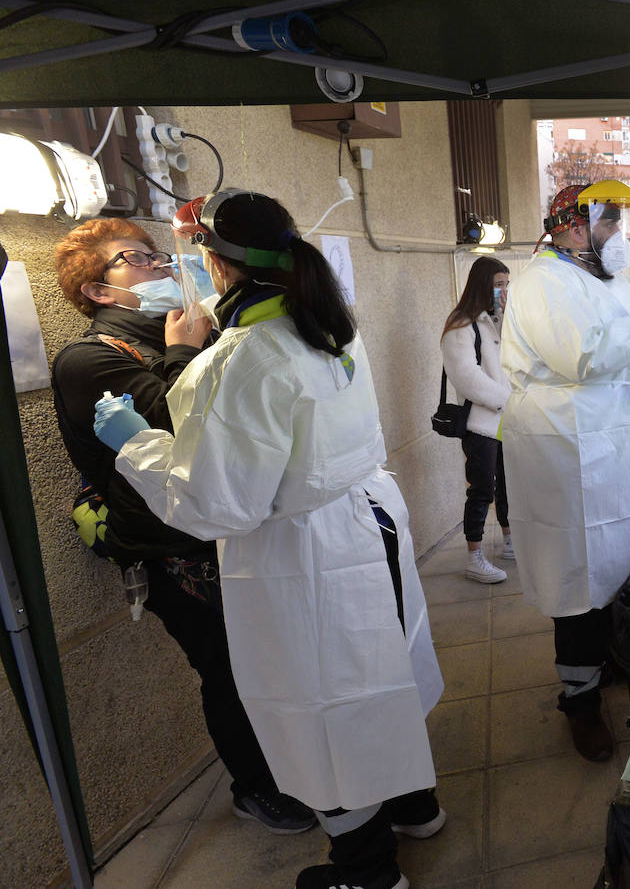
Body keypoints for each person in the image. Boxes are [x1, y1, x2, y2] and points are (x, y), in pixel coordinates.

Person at [93, 191, 446, 889]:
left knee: (320, 705)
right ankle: (415, 806)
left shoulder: (245, 357)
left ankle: (367, 871)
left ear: (218, 265)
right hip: (364, 523)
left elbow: (218, 502)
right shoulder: (325, 321)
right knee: (374, 673)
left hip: (302, 554)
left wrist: (136, 446)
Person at [48, 218, 315, 835]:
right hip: (170, 547)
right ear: (99, 291)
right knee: (226, 666)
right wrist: (184, 353)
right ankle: (257, 786)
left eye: (154, 252)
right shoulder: (90, 358)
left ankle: (295, 763)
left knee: (270, 656)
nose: (159, 264)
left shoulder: (204, 330)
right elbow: (174, 431)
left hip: (230, 522)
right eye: (133, 259)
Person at [501, 181, 630, 761]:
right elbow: (581, 356)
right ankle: (579, 700)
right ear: (573, 226)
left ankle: (617, 659)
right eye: (609, 221)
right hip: (574, 453)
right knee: (580, 579)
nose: (618, 235)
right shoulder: (542, 281)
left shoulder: (613, 281)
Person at [440, 255, 514, 584]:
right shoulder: (460, 324)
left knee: (509, 485)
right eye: (498, 285)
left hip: (506, 421)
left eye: (507, 285)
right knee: (482, 489)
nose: (504, 292)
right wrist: (507, 401)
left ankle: (510, 541)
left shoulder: (497, 319)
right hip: (481, 423)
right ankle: (474, 556)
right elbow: (466, 377)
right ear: (482, 285)